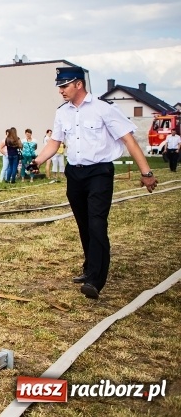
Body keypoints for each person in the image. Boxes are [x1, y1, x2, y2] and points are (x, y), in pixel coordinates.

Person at [29, 66, 158, 300]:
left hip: (99, 172)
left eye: (65, 86)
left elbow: (128, 140)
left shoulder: (103, 109)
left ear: (79, 84)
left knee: (97, 223)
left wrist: (146, 172)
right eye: (59, 86)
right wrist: (36, 161)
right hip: (75, 174)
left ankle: (95, 281)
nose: (61, 91)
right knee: (84, 224)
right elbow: (55, 143)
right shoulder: (62, 113)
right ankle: (90, 267)